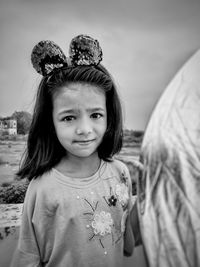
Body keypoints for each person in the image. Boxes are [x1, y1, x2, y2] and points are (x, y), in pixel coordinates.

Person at [11, 35, 135, 267]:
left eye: (96, 115)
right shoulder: (43, 188)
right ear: (51, 123)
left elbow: (127, 244)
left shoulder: (121, 173)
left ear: (110, 116)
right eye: (69, 117)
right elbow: (26, 258)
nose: (84, 129)